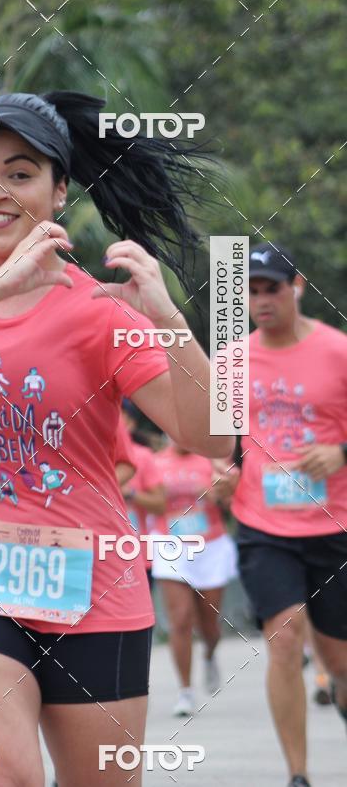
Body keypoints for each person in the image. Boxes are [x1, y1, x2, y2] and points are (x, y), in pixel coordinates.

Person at [0, 90, 234, 785]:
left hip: (96, 591)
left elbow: (212, 437)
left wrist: (169, 321)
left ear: (60, 190)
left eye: (19, 173)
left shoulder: (101, 311)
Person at [217, 243, 347, 787]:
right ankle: (298, 775)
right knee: (285, 634)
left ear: (296, 286)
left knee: (340, 664)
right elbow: (222, 447)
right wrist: (221, 474)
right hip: (263, 524)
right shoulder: (229, 362)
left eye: (271, 288)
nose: (259, 300)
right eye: (248, 290)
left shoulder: (338, 351)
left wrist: (342, 453)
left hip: (333, 525)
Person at [150, 438, 237, 716]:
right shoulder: (155, 462)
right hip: (171, 545)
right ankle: (185, 691)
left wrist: (217, 493)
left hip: (210, 546)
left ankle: (210, 654)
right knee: (180, 620)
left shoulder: (211, 458)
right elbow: (146, 501)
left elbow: (233, 499)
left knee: (209, 625)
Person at [119, 399, 166, 591]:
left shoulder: (143, 456)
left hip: (136, 556)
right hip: (96, 555)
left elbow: (160, 504)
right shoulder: (90, 453)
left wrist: (129, 493)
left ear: (130, 423)